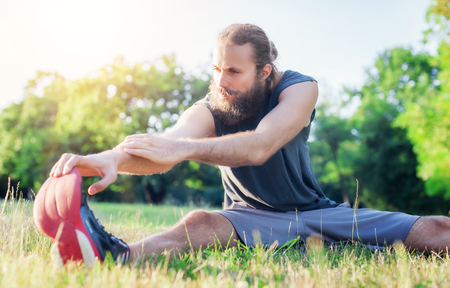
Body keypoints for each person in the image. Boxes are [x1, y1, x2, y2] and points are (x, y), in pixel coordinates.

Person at [34, 23, 450, 265]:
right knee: (199, 222)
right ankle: (115, 257)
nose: (221, 81)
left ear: (265, 71)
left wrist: (183, 151)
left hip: (320, 214)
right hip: (249, 218)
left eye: (233, 71)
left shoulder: (299, 88)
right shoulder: (212, 104)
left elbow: (260, 145)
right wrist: (108, 158)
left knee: (436, 230)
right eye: (216, 69)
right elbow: (168, 144)